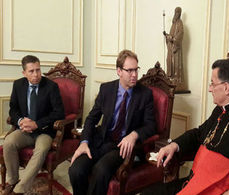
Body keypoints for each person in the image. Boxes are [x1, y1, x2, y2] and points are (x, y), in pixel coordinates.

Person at [142, 59, 229, 195]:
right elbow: (199, 134)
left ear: (226, 88)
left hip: (217, 190)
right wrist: (174, 145)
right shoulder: (221, 109)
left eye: (212, 84)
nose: (210, 89)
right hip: (195, 181)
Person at [69, 49, 156, 195]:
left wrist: (134, 135)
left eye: (136, 69)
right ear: (119, 71)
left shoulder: (145, 94)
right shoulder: (106, 89)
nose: (135, 75)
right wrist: (84, 142)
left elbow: (151, 125)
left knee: (101, 170)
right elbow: (91, 118)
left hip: (122, 147)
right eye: (130, 70)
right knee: (76, 170)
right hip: (101, 140)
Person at [3, 55, 65, 195]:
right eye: (31, 71)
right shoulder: (18, 85)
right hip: (25, 130)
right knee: (8, 142)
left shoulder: (51, 87)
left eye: (38, 70)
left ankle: (19, 189)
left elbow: (59, 113)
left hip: (45, 131)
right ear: (24, 73)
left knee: (42, 149)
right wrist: (20, 121)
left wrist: (36, 124)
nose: (36, 74)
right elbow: (13, 108)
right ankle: (12, 181)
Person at [163, 7, 184, 91]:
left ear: (180, 14)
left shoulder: (180, 23)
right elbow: (171, 36)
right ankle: (170, 78)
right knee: (169, 61)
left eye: (178, 13)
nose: (176, 14)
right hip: (171, 48)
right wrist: (166, 35)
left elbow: (180, 35)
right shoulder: (173, 24)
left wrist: (173, 39)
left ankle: (176, 80)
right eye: (175, 12)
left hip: (176, 48)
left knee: (175, 64)